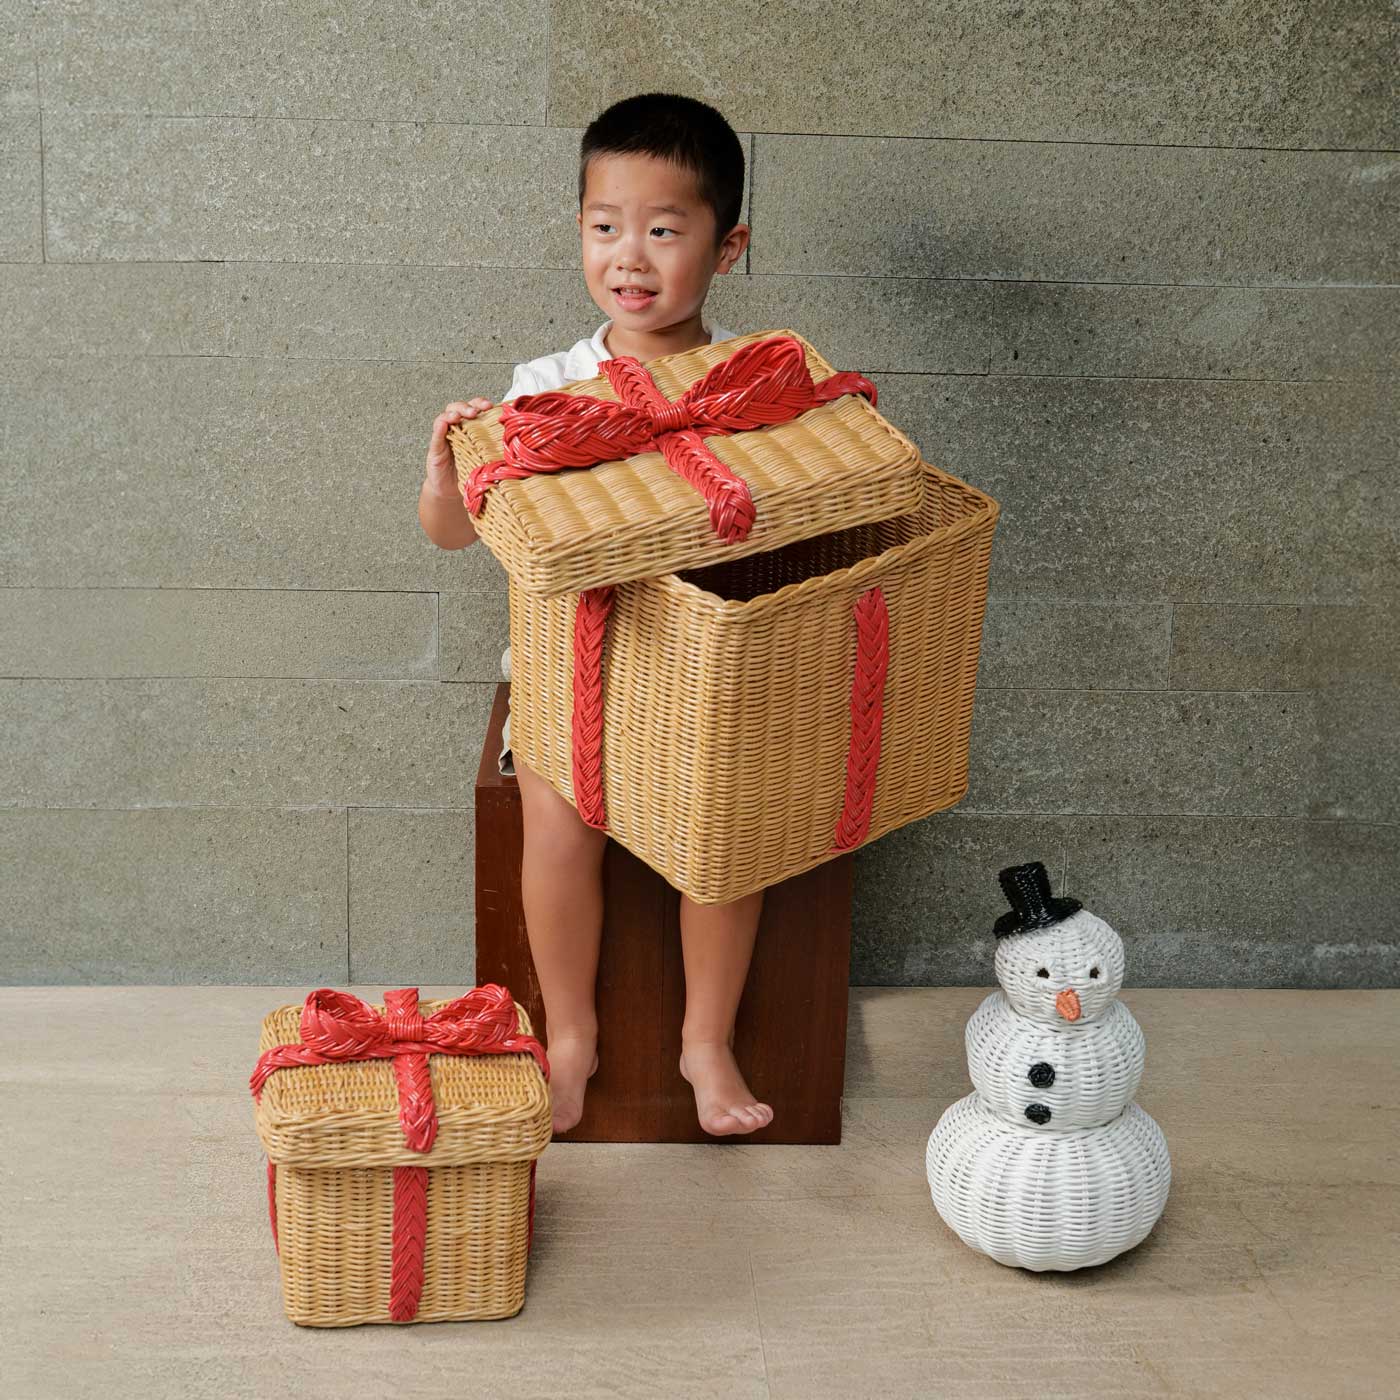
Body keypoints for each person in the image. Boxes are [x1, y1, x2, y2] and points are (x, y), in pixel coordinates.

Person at [418, 94, 774, 1139]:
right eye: (604, 226)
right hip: (572, 665)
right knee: (557, 823)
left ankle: (704, 1037)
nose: (630, 254)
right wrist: (447, 472)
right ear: (577, 229)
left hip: (703, 671)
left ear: (727, 244)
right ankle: (566, 1033)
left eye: (664, 229)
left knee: (725, 836)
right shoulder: (545, 385)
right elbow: (454, 535)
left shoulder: (750, 383)